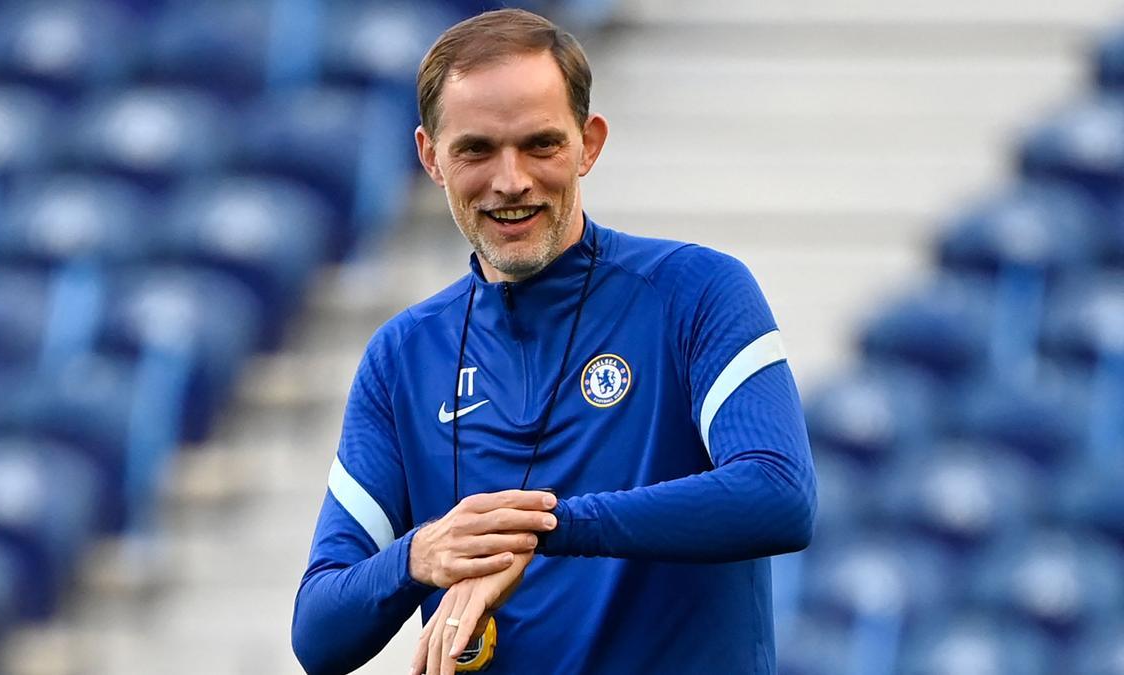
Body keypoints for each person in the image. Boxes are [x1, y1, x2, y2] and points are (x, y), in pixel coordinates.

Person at [291, 8, 817, 675]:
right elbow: (317, 630)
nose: (510, 180)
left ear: (588, 143)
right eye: (476, 149)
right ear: (430, 157)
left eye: (540, 144)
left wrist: (546, 529)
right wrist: (421, 554)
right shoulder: (402, 357)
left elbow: (779, 492)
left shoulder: (695, 291)